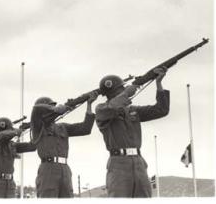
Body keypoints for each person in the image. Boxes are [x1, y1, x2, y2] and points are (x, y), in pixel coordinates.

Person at [95, 67, 169, 197]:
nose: (123, 90)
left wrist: (158, 83)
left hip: (138, 162)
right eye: (120, 89)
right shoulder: (102, 110)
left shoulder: (132, 110)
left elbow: (161, 110)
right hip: (118, 164)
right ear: (111, 93)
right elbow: (111, 107)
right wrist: (126, 94)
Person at [30, 92, 97, 198]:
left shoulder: (62, 127)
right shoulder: (37, 127)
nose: (53, 109)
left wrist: (89, 105)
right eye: (50, 107)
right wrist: (63, 107)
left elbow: (85, 129)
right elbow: (37, 109)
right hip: (48, 168)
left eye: (53, 107)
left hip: (65, 169)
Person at [0, 118, 35, 198]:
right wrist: (16, 132)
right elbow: (2, 136)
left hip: (10, 183)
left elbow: (33, 146)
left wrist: (35, 128)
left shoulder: (12, 145)